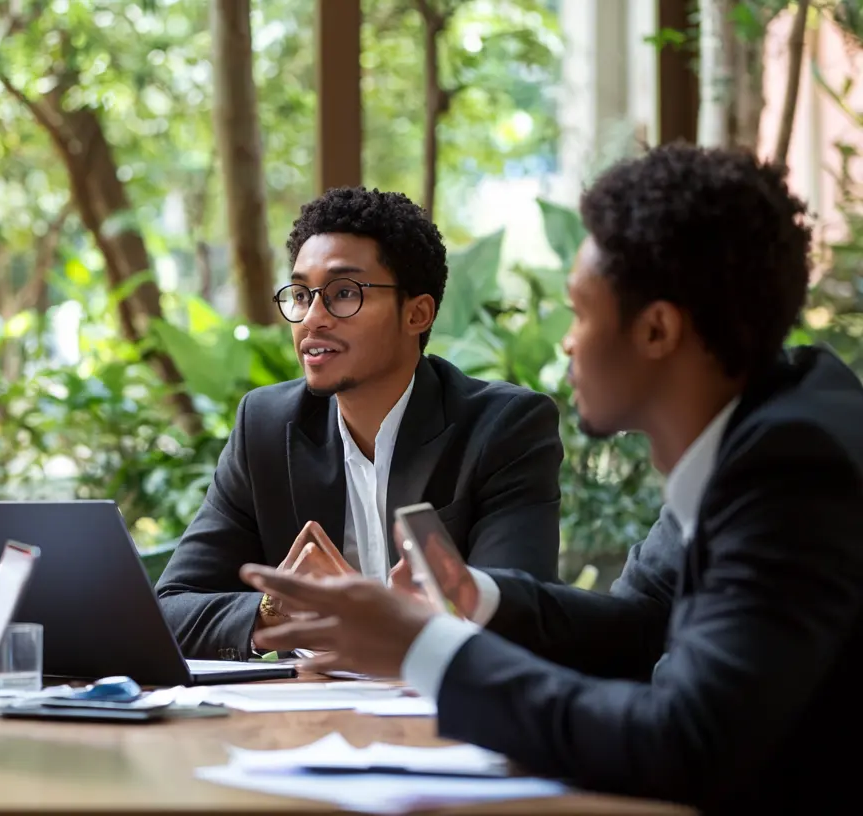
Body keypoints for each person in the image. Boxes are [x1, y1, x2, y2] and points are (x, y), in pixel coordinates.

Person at [242, 144, 863, 811]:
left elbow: (687, 743)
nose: (568, 342)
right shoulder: (756, 428)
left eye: (580, 312)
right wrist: (473, 599)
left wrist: (428, 651)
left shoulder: (791, 468)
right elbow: (645, 622)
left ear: (656, 331)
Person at [156, 186, 564, 660]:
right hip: (307, 719)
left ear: (417, 313)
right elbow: (171, 608)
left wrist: (375, 614)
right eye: (302, 294)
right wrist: (279, 610)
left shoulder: (503, 428)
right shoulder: (266, 428)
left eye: (343, 293)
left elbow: (515, 618)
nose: (313, 319)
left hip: (445, 716)